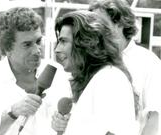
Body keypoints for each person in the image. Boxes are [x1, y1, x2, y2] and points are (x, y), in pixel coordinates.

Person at [0, 7, 71, 135]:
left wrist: (64, 126)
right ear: (7, 48)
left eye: (38, 41)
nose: (37, 50)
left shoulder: (58, 73)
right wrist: (12, 113)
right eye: (27, 44)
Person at [52, 10, 137, 135]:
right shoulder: (99, 79)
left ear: (85, 43)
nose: (57, 49)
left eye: (63, 41)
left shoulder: (109, 79)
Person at [89, 0, 161, 134]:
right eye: (92, 26)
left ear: (120, 24)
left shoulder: (149, 63)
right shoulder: (93, 61)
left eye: (101, 24)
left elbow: (154, 119)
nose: (95, 31)